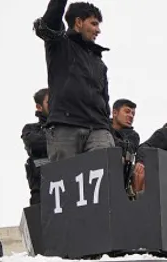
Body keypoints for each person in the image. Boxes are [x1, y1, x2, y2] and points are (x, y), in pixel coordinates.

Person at [34, 1, 112, 161]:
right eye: (94, 24)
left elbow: (105, 101)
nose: (98, 30)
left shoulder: (99, 62)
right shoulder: (59, 44)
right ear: (78, 22)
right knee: (65, 174)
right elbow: (51, 19)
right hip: (65, 125)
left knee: (105, 168)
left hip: (98, 129)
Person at [22, 88, 50, 204]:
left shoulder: (68, 127)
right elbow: (34, 144)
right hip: (41, 192)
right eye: (49, 102)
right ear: (39, 107)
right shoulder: (31, 129)